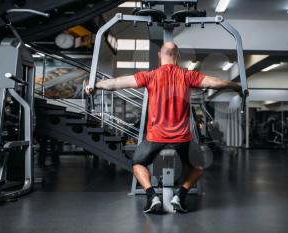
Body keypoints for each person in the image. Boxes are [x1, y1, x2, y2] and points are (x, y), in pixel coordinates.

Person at [86, 42, 244, 213]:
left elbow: (117, 83)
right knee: (198, 166)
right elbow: (215, 82)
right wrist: (236, 87)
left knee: (137, 164)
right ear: (177, 57)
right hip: (182, 138)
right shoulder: (187, 75)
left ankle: (151, 196)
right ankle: (180, 195)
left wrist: (95, 86)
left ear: (160, 56)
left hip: (155, 138)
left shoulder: (150, 76)